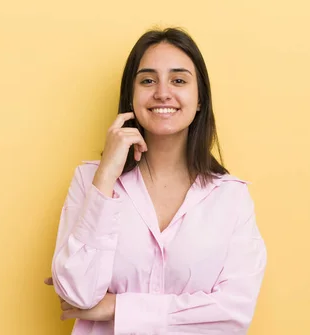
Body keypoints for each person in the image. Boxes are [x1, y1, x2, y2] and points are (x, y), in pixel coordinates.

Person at [44, 27, 267, 334]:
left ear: (200, 99)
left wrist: (116, 308)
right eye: (148, 80)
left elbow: (233, 313)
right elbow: (76, 293)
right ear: (131, 97)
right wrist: (107, 173)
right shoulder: (90, 181)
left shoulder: (230, 197)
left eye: (179, 80)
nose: (162, 92)